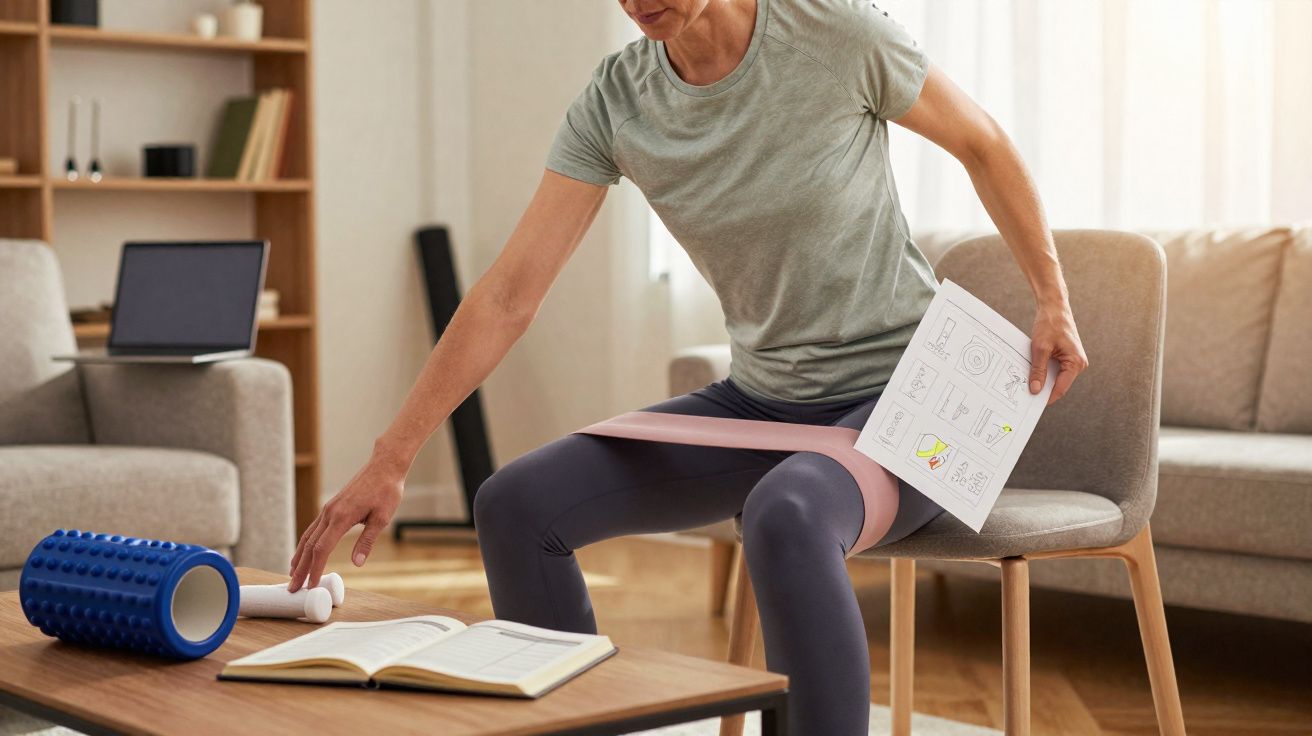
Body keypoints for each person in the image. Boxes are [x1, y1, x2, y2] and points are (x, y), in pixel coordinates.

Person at [288, 0, 1089, 732]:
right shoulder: (618, 101)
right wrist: (391, 456)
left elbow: (982, 142)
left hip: (910, 394)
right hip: (766, 400)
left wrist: (1050, 296)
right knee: (516, 506)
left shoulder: (833, 32)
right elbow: (507, 296)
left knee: (787, 514)